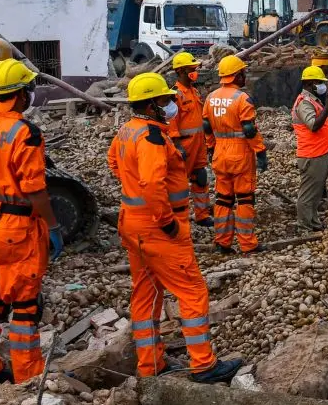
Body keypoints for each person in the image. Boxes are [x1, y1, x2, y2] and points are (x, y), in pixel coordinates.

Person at [108, 73, 241, 383]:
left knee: (146, 294)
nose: (172, 105)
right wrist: (166, 221)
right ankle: (203, 365)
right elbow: (153, 183)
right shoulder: (152, 138)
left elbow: (114, 163)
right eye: (166, 101)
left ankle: (150, 363)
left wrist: (136, 191)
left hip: (133, 224)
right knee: (192, 291)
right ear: (153, 104)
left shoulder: (127, 131)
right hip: (159, 227)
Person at [0, 59, 61, 384]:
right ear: (20, 95)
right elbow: (36, 191)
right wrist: (53, 227)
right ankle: (27, 373)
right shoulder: (25, 134)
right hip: (19, 228)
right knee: (25, 304)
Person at [203, 55, 267, 254]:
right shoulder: (242, 98)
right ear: (236, 75)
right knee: (245, 199)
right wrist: (260, 151)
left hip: (220, 153)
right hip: (240, 154)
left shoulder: (211, 97)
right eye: (243, 72)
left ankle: (222, 242)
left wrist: (211, 148)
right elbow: (249, 129)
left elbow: (206, 126)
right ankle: (248, 244)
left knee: (223, 199)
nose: (245, 75)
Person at [167, 52, 212, 226]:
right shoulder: (175, 95)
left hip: (199, 143)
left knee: (201, 178)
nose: (195, 72)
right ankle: (175, 217)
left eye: (195, 69)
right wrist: (177, 145)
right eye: (191, 69)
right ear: (180, 72)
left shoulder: (194, 91)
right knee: (178, 183)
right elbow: (172, 121)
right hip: (185, 144)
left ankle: (202, 215)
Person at [292, 66, 328, 231]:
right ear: (310, 83)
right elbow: (314, 125)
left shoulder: (313, 100)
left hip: (319, 152)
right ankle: (304, 225)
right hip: (312, 154)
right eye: (319, 82)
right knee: (308, 192)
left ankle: (313, 221)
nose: (323, 85)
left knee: (316, 191)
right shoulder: (304, 103)